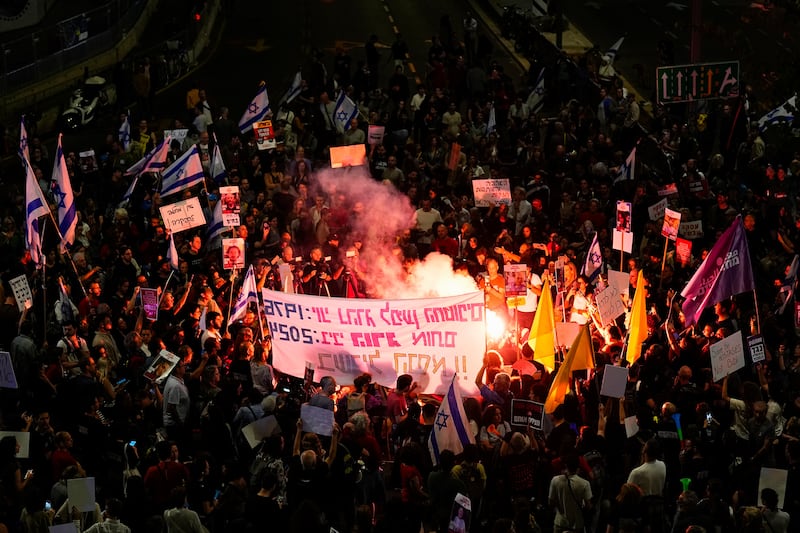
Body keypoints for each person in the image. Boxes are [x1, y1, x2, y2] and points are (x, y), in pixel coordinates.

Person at [549, 453, 592, 533]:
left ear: (565, 465)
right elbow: (588, 506)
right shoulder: (585, 484)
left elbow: (551, 502)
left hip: (560, 523)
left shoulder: (555, 480)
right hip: (577, 525)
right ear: (578, 466)